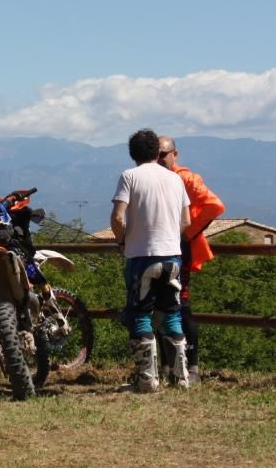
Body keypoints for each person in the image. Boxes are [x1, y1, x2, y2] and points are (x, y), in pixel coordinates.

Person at [110, 129, 191, 392]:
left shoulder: (129, 177)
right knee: (172, 314)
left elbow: (119, 217)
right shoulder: (175, 180)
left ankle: (146, 379)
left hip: (141, 256)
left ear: (132, 154)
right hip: (173, 257)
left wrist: (122, 240)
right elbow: (186, 221)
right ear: (157, 152)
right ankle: (181, 378)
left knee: (140, 315)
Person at [157, 135, 225, 385]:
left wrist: (187, 233)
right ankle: (167, 367)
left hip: (179, 250)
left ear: (175, 154)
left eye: (164, 154)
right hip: (161, 248)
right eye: (156, 155)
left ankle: (192, 367)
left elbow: (213, 205)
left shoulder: (185, 178)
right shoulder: (157, 178)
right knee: (159, 308)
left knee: (180, 307)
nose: (160, 159)